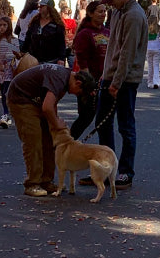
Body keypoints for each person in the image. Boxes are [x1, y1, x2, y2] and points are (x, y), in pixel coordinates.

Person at [83, 0, 148, 189]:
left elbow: (127, 54)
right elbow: (113, 47)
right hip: (112, 75)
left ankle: (126, 172)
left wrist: (117, 81)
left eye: (112, 0)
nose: (110, 4)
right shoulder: (119, 12)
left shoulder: (134, 15)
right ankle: (104, 169)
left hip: (126, 79)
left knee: (125, 126)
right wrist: (105, 74)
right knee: (103, 122)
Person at [6, 63, 97, 196]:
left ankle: (46, 181)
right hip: (21, 99)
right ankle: (32, 184)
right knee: (34, 141)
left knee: (49, 140)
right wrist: (56, 124)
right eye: (79, 93)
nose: (76, 95)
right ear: (78, 83)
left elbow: (51, 104)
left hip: (36, 100)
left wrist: (54, 123)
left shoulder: (65, 81)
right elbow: (47, 107)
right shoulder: (59, 78)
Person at [70, 0, 109, 139]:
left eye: (105, 11)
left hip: (104, 81)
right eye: (100, 11)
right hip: (88, 83)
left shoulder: (107, 32)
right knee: (86, 117)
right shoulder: (85, 34)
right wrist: (89, 85)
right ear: (91, 14)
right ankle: (66, 143)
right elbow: (82, 61)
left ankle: (105, 151)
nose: (103, 14)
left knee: (104, 120)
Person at [0, 16, 19, 128]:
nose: (2, 28)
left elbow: (18, 53)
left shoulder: (13, 40)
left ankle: (7, 114)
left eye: (4, 25)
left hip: (9, 69)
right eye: (0, 25)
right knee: (3, 93)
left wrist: (10, 49)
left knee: (7, 92)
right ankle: (5, 113)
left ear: (8, 26)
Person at [21, 0, 66, 65]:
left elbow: (61, 43)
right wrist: (23, 51)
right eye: (39, 6)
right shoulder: (35, 22)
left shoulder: (57, 24)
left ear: (49, 8)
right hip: (34, 60)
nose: (39, 7)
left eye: (42, 6)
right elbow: (28, 38)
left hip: (51, 60)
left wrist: (61, 58)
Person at [145, 14, 160, 89]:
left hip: (148, 48)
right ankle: (156, 82)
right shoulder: (158, 28)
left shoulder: (146, 28)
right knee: (156, 66)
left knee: (150, 66)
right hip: (157, 48)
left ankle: (150, 82)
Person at [60, 4, 78, 69]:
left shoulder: (60, 21)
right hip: (71, 43)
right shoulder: (73, 21)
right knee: (72, 65)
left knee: (61, 66)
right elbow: (75, 33)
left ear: (62, 12)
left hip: (63, 45)